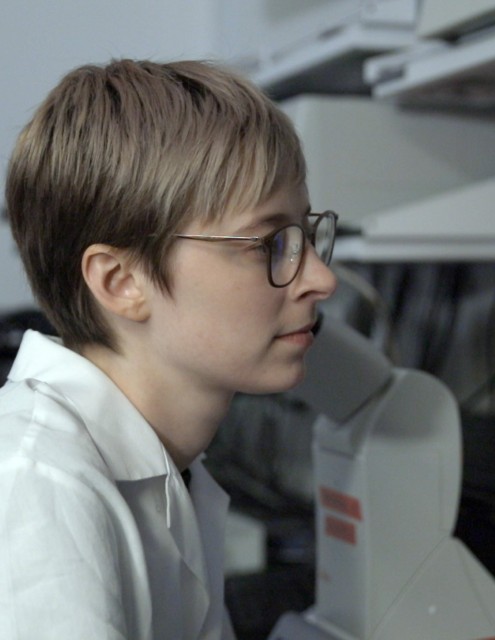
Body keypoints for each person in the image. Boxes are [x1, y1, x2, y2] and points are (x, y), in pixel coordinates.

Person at [0, 58, 337, 639]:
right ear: (121, 282)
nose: (321, 279)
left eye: (306, 235)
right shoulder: (39, 487)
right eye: (268, 244)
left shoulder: (173, 469)